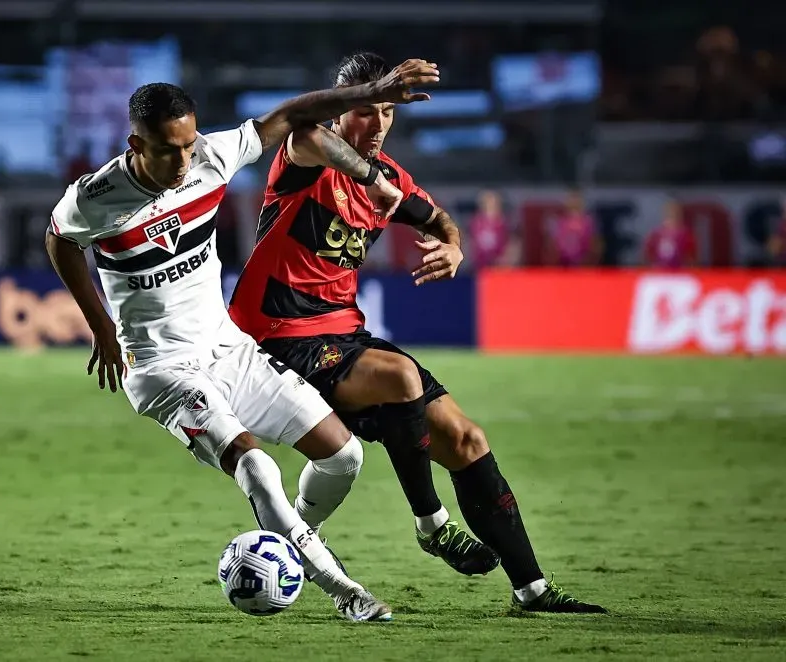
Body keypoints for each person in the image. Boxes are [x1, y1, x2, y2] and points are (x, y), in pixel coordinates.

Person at [46, 59, 439, 621]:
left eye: (190, 144)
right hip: (163, 369)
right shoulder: (95, 197)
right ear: (136, 143)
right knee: (257, 468)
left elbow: (296, 115)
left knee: (344, 456)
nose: (185, 160)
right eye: (169, 149)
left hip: (227, 348)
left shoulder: (212, 155)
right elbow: (60, 240)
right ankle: (346, 591)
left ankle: (296, 536)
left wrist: (373, 91)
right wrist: (101, 325)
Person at [228, 52, 606, 613]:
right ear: (340, 112)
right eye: (363, 110)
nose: (376, 123)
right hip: (279, 339)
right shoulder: (305, 156)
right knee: (400, 375)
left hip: (343, 335)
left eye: (386, 112)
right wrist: (367, 174)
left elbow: (437, 218)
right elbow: (303, 128)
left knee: (467, 440)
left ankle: (533, 590)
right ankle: (431, 524)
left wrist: (453, 243)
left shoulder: (392, 179)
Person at [547, 190, 602, 267]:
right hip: (562, 265)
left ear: (582, 203)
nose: (574, 204)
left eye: (577, 201)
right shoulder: (560, 222)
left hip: (584, 265)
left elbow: (596, 245)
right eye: (572, 201)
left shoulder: (589, 223)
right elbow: (552, 246)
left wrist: (589, 263)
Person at [469, 189, 518, 268]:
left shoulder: (505, 223)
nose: (490, 205)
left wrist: (506, 259)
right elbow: (469, 244)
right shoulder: (475, 223)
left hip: (500, 268)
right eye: (487, 202)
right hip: (479, 267)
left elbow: (513, 245)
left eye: (493, 202)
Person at [644, 200, 697, 269]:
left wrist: (690, 268)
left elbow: (691, 255)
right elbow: (648, 253)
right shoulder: (656, 233)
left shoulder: (685, 234)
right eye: (669, 215)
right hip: (659, 269)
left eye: (674, 214)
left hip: (679, 270)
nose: (671, 217)